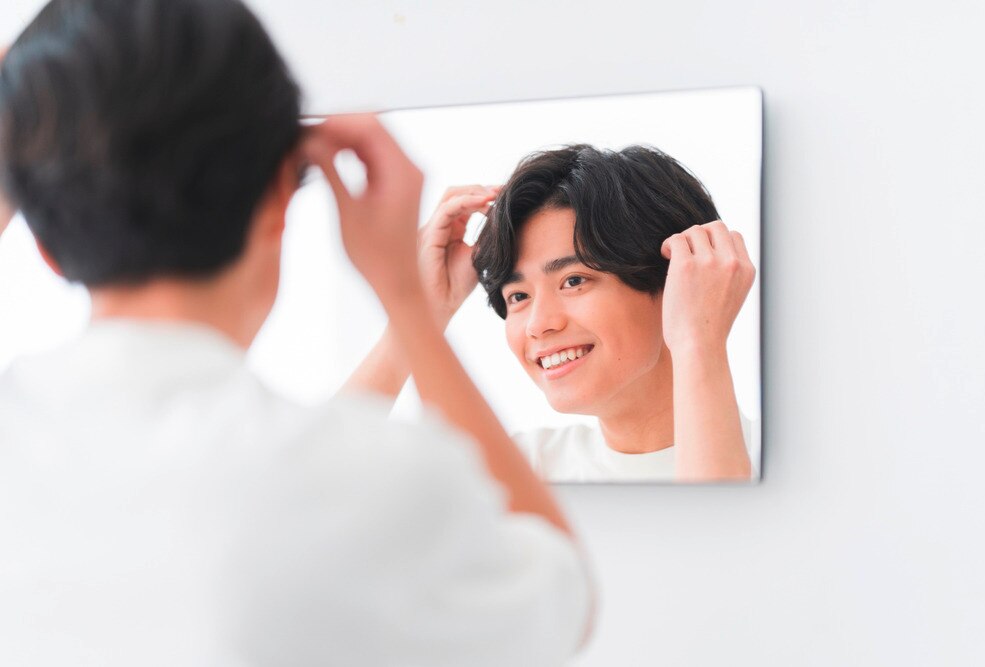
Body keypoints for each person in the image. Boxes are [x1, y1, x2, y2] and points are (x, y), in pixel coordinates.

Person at [0, 1, 591, 664]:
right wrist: (406, 301)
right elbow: (559, 588)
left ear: (42, 240)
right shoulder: (368, 482)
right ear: (282, 199)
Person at [349, 145, 758, 483]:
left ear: (677, 280)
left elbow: (721, 557)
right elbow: (307, 490)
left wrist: (700, 342)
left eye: (574, 281)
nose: (539, 324)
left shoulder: (782, 464)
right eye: (518, 295)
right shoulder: (522, 472)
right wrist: (416, 315)